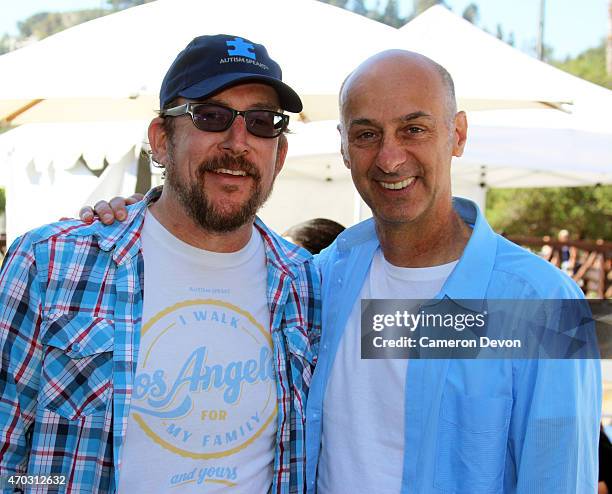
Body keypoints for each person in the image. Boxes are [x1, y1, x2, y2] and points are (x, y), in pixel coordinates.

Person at [81, 50, 601, 493]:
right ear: (344, 147)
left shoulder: (539, 306)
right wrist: (138, 216)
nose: (390, 158)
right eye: (367, 134)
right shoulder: (319, 280)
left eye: (414, 129)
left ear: (457, 134)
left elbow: (557, 477)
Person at [0, 34, 320, 494]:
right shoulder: (52, 263)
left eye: (262, 122)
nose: (237, 141)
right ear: (161, 140)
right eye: (210, 116)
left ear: (280, 154)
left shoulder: (308, 285)